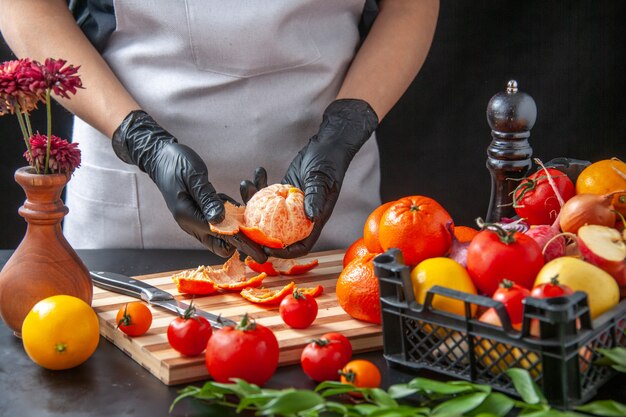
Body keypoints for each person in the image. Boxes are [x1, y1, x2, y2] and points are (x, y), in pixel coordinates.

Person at [0, 0, 439, 262]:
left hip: (330, 187)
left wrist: (346, 127)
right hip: (132, 203)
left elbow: (411, 6)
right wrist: (140, 139)